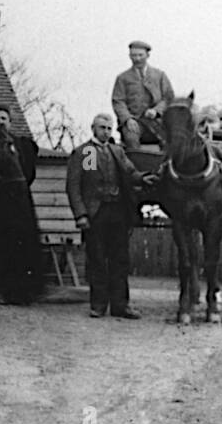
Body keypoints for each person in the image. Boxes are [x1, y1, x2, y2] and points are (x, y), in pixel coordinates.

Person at [65, 114, 158, 319]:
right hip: (96, 213)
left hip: (117, 212)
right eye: (102, 127)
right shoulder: (86, 152)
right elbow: (75, 186)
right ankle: (98, 305)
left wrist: (144, 178)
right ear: (93, 128)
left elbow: (130, 172)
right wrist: (81, 214)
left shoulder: (117, 151)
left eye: (109, 128)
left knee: (120, 259)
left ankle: (120, 305)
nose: (106, 131)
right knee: (97, 259)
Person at [0, 104, 46, 305]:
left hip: (17, 204)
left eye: (4, 118)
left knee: (19, 246)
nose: (1, 122)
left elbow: (28, 173)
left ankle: (21, 291)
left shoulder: (21, 145)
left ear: (10, 122)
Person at [111, 40, 176, 149]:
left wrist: (156, 111)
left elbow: (168, 97)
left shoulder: (159, 75)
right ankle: (135, 165)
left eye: (140, 55)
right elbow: (118, 101)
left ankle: (167, 165)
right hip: (134, 122)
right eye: (133, 56)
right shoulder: (122, 78)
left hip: (157, 122)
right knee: (131, 138)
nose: (137, 59)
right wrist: (127, 119)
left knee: (172, 139)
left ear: (148, 55)